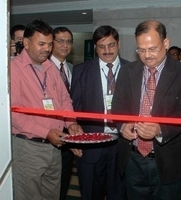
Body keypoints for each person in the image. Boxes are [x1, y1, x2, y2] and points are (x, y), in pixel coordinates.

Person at [111, 20, 181, 199]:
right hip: (133, 159)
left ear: (165, 43)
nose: (147, 55)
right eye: (141, 50)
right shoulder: (127, 71)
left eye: (152, 48)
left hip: (168, 160)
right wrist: (122, 125)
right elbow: (118, 107)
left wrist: (160, 129)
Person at [10, 19, 83, 200]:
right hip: (28, 147)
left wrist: (70, 121)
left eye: (50, 44)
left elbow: (64, 99)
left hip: (54, 146)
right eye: (41, 44)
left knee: (52, 195)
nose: (47, 49)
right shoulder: (13, 69)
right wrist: (45, 132)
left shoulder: (51, 68)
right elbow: (14, 115)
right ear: (26, 43)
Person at [70, 25, 129, 200]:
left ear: (118, 44)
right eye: (101, 46)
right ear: (95, 47)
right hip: (91, 145)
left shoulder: (132, 70)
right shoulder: (81, 71)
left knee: (119, 195)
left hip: (122, 145)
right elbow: (74, 109)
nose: (107, 50)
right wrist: (74, 139)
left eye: (111, 45)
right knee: (90, 194)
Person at [50, 26, 74, 200]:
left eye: (68, 41)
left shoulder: (73, 68)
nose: (65, 45)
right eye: (60, 41)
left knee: (64, 178)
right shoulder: (42, 67)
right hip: (48, 133)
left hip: (69, 131)